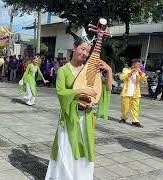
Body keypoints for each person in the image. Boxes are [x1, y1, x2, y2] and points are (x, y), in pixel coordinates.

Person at [45, 36, 113, 180]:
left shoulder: (90, 71)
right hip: (70, 117)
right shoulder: (63, 70)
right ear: (74, 48)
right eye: (82, 49)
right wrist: (78, 92)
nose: (85, 53)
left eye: (88, 51)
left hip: (86, 117)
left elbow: (105, 90)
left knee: (85, 149)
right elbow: (61, 93)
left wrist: (109, 71)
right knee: (67, 149)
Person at [119, 59, 147, 127]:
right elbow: (121, 77)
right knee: (125, 108)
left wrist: (140, 73)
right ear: (133, 64)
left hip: (136, 93)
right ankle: (123, 118)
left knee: (135, 108)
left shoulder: (139, 72)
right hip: (126, 92)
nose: (140, 66)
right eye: (138, 64)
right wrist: (131, 72)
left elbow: (144, 79)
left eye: (140, 65)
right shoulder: (126, 70)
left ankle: (135, 121)